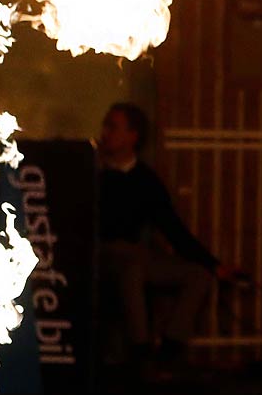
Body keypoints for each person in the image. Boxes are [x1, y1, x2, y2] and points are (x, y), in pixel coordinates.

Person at [95, 102, 237, 380]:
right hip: (104, 253)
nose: (106, 133)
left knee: (197, 274)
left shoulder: (146, 180)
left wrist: (213, 264)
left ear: (133, 136)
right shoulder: (95, 174)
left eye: (113, 127)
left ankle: (170, 350)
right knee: (133, 264)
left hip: (136, 254)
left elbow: (172, 228)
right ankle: (140, 352)